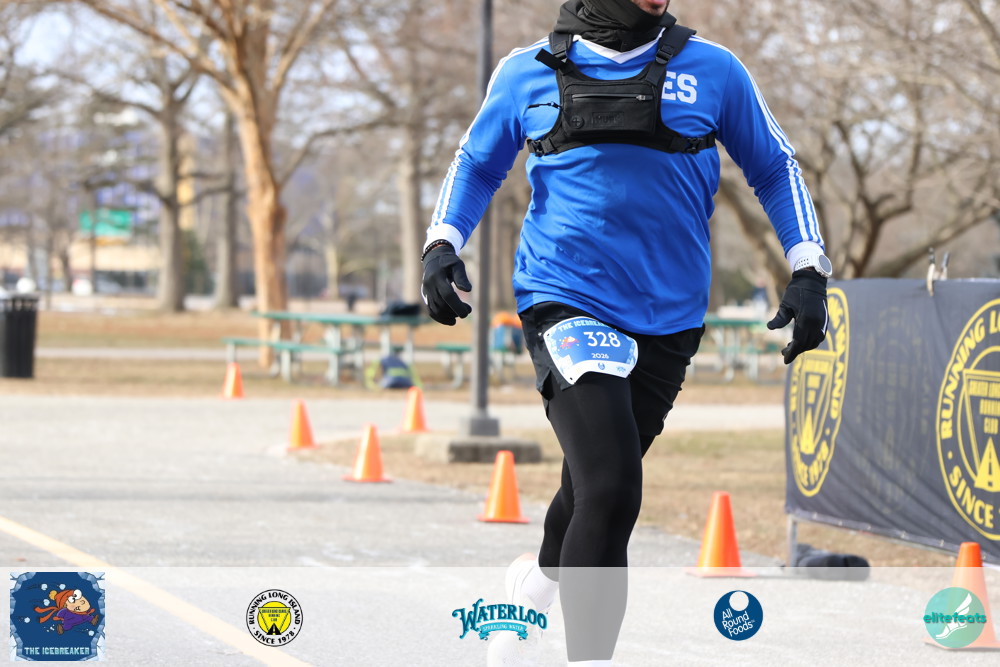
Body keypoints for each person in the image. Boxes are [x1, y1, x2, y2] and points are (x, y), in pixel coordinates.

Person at [421, 0, 831, 663]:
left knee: (590, 485)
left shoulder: (715, 69)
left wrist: (808, 267)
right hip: (566, 295)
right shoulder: (528, 71)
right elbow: (476, 163)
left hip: (670, 315)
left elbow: (775, 166)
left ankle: (532, 587)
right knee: (612, 485)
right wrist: (443, 242)